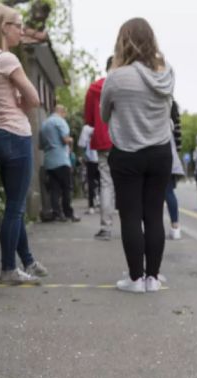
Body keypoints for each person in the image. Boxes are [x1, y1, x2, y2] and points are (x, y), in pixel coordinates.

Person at [101, 18, 175, 293]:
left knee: (131, 215)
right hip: (160, 152)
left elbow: (104, 114)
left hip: (127, 153)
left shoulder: (117, 76)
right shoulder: (167, 73)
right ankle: (153, 278)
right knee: (154, 214)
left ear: (123, 41)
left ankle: (134, 279)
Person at [0, 4, 49, 285]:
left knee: (14, 204)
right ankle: (9, 269)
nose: (22, 30)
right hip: (16, 136)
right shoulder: (7, 60)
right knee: (15, 208)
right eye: (17, 25)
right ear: (4, 27)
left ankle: (27, 260)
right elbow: (35, 98)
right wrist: (22, 102)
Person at [85, 57, 116, 241]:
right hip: (126, 141)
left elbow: (89, 119)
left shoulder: (94, 88)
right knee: (129, 183)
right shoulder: (125, 85)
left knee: (106, 183)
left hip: (103, 140)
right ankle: (136, 227)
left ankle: (106, 227)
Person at [40, 106, 79, 223]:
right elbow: (65, 140)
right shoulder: (60, 121)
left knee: (54, 189)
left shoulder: (44, 124)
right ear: (62, 112)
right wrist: (71, 140)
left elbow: (40, 146)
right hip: (61, 160)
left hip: (49, 161)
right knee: (67, 188)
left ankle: (57, 214)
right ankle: (68, 213)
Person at [165, 100, 183, 240]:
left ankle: (151, 226)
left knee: (150, 193)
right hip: (169, 153)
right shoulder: (173, 104)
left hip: (150, 149)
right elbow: (178, 137)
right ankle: (175, 227)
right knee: (169, 191)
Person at [78, 123, 100, 215]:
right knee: (104, 181)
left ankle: (91, 206)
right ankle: (106, 204)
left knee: (90, 181)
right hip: (103, 157)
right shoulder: (103, 123)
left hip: (91, 158)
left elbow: (81, 144)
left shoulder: (86, 128)